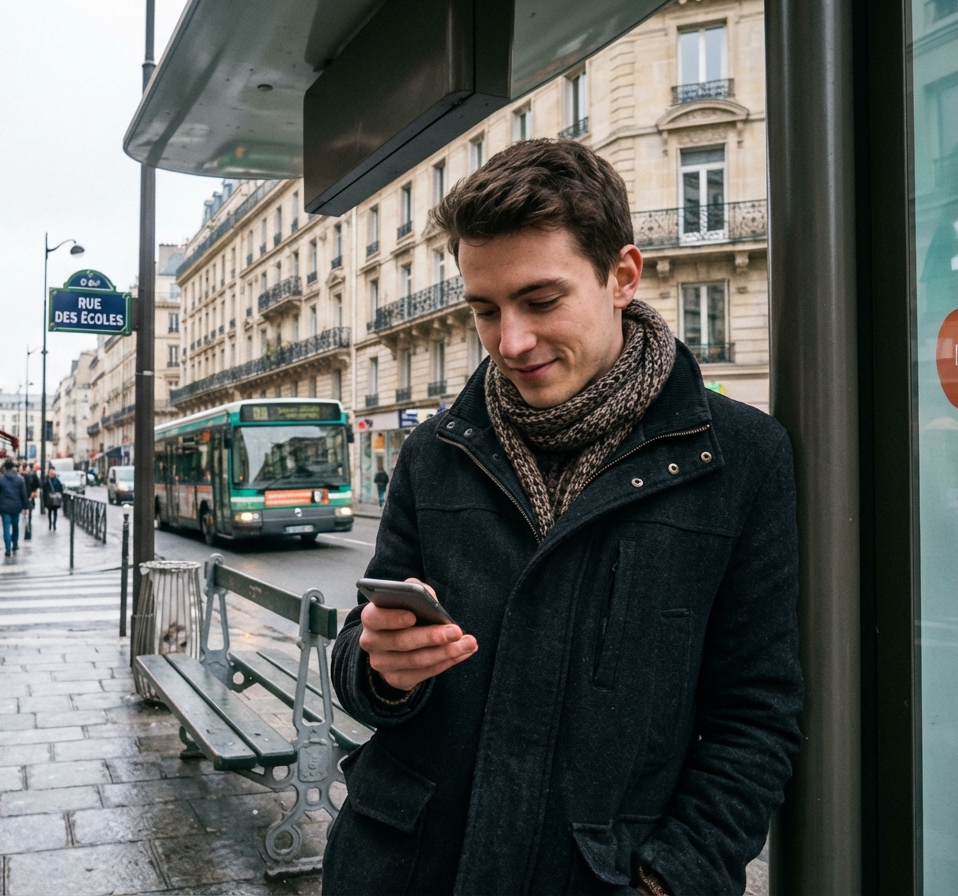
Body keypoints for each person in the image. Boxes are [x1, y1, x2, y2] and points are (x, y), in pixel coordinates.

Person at [324, 139, 803, 896]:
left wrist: (673, 878)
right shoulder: (434, 451)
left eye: (541, 301)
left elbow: (756, 713)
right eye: (485, 310)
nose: (510, 342)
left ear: (622, 276)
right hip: (404, 869)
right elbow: (363, 660)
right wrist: (379, 668)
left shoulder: (742, 458)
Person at [0, 458, 29, 556]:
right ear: (13, 467)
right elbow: (23, 494)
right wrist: (26, 507)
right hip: (16, 506)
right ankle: (15, 544)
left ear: (4, 467)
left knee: (6, 528)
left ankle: (7, 549)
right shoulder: (20, 479)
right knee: (15, 526)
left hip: (4, 506)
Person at [41, 466, 64, 530]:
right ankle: (50, 523)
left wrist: (57, 494)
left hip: (55, 498)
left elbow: (60, 488)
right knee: (50, 512)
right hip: (49, 499)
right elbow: (43, 487)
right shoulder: (47, 480)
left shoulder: (57, 480)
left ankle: (54, 524)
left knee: (55, 512)